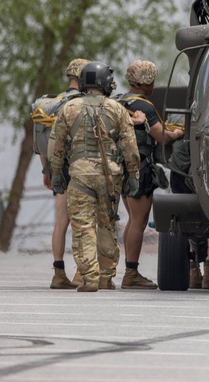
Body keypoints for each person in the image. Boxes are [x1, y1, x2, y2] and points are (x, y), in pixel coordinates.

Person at [47, 61, 141, 292]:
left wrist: (57, 173)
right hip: (110, 177)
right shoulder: (117, 109)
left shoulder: (69, 108)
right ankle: (106, 277)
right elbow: (130, 147)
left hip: (80, 176)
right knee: (107, 225)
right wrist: (134, 175)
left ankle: (89, 277)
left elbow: (55, 145)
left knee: (83, 227)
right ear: (103, 83)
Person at [115, 60, 184, 289]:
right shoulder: (144, 106)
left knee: (131, 221)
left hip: (122, 168)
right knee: (139, 221)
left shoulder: (119, 102)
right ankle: (131, 273)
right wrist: (177, 134)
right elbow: (161, 136)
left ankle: (128, 269)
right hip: (140, 168)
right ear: (146, 82)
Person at [36, 57, 88, 290]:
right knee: (84, 221)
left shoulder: (52, 104)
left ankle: (58, 273)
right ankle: (80, 272)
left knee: (61, 222)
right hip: (80, 167)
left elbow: (42, 142)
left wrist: (47, 170)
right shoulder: (85, 103)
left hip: (58, 168)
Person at [168, 134, 209, 290]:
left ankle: (193, 274)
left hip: (179, 177)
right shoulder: (208, 133)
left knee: (186, 224)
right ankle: (208, 275)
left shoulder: (175, 126)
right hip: (203, 178)